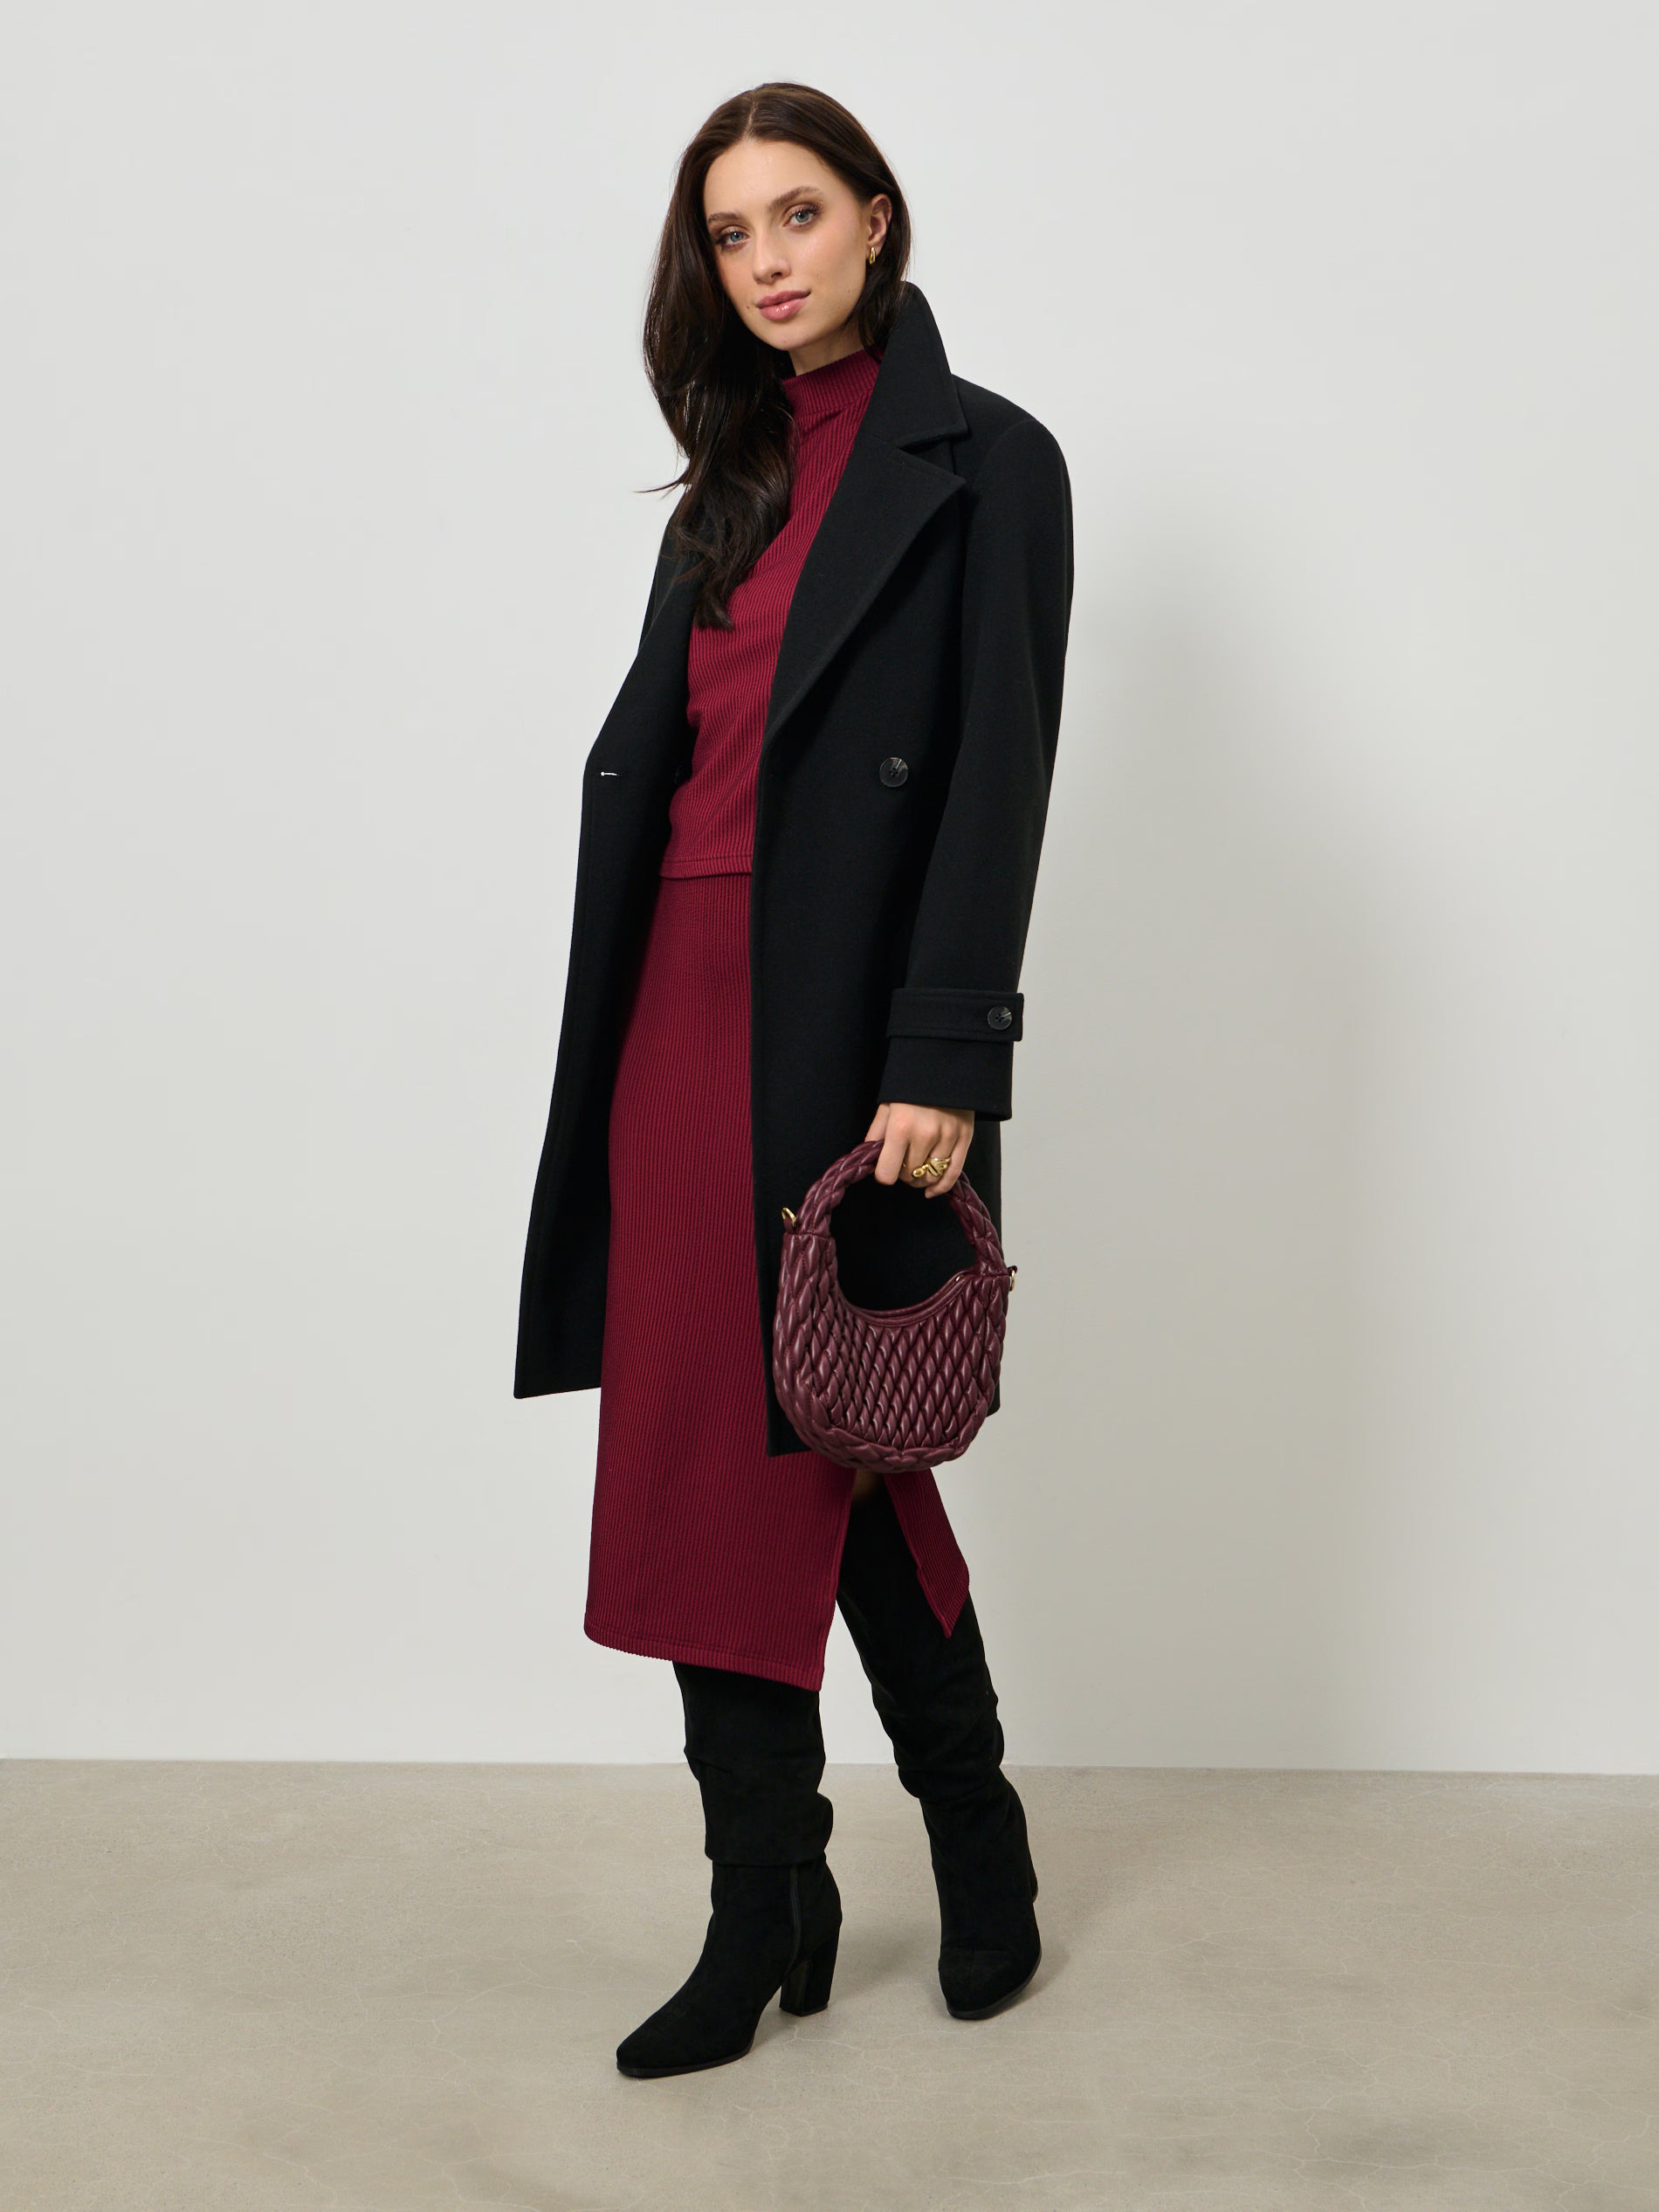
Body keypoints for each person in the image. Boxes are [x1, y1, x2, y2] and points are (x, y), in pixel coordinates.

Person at [513, 81, 1074, 2078]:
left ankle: (970, 1829)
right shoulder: (727, 477)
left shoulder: (987, 458)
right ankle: (765, 1896)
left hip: (843, 1016)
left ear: (876, 219)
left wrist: (944, 1046)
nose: (764, 259)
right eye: (729, 230)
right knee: (703, 1443)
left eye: (798, 214)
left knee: (839, 1433)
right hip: (673, 1000)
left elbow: (996, 764)